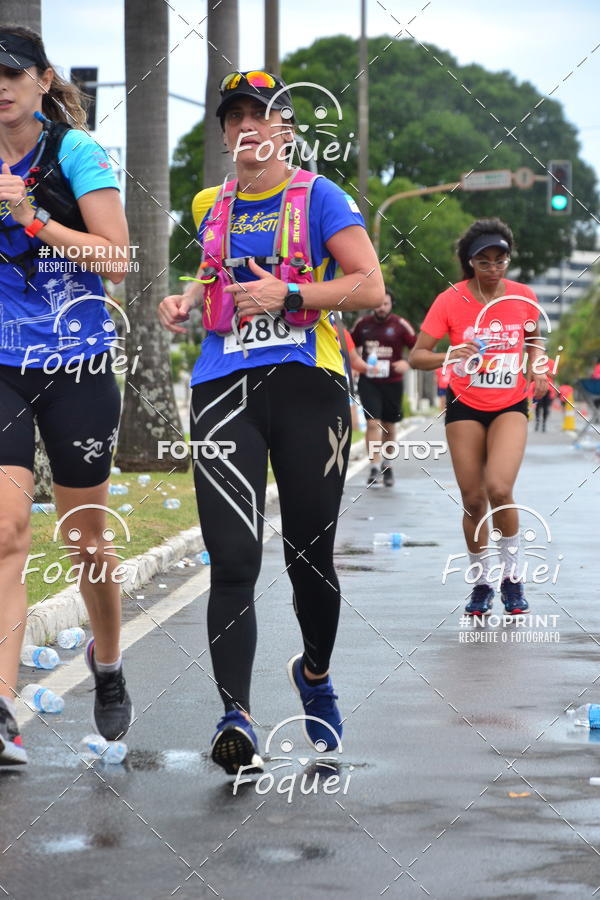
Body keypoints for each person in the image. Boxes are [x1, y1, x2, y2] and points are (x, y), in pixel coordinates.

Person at [158, 71, 384, 775]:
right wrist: (188, 300)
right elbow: (215, 271)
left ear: (286, 129)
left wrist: (290, 292)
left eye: (262, 115)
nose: (247, 127)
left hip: (307, 385)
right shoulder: (208, 202)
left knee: (308, 557)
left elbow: (370, 287)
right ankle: (237, 719)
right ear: (225, 133)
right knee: (231, 558)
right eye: (234, 118)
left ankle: (313, 674)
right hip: (223, 386)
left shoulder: (322, 197)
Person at [0, 27, 132, 765]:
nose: (1, 85)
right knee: (5, 532)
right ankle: (1, 711)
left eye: (13, 72)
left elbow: (116, 257)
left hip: (76, 363)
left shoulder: (76, 153)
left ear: (43, 80)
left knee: (87, 543)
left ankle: (107, 662)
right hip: (2, 366)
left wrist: (33, 219)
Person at [409, 218, 549, 616]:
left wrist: (536, 366)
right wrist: (448, 355)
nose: (492, 268)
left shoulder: (522, 296)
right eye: (483, 261)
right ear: (470, 262)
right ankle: (482, 582)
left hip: (510, 404)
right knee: (473, 501)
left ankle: (512, 576)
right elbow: (418, 355)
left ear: (508, 259)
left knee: (499, 489)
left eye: (499, 259)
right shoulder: (450, 299)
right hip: (464, 405)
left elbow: (534, 336)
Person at [351, 291, 416, 487]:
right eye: (378, 304)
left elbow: (419, 346)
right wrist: (358, 364)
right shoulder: (363, 325)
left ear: (391, 305)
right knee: (373, 423)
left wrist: (408, 363)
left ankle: (387, 465)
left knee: (389, 425)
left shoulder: (400, 325)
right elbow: (348, 345)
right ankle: (374, 466)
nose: (382, 308)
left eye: (386, 304)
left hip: (393, 381)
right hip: (369, 381)